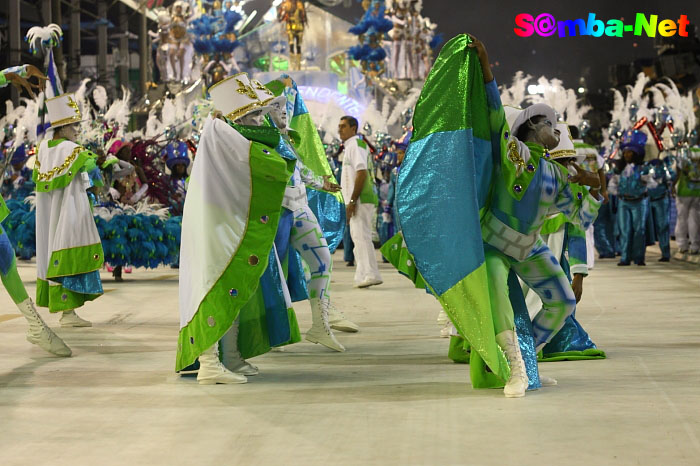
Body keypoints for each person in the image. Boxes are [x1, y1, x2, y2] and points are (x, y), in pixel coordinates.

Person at [392, 34, 601, 398]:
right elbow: (492, 114)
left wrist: (596, 189)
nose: (557, 130)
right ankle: (514, 370)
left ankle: (528, 361)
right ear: (534, 126)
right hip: (493, 244)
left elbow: (579, 217)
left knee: (563, 300)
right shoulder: (512, 151)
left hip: (528, 246)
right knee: (501, 305)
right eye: (551, 123)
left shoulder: (557, 172)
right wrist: (487, 69)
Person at [177, 72, 297, 384]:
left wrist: (280, 133)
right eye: (255, 114)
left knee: (236, 288)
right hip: (214, 224)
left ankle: (229, 355)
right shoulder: (219, 130)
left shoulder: (227, 130)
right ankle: (209, 363)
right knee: (214, 284)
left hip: (227, 220)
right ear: (235, 115)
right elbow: (262, 161)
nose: (261, 120)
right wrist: (280, 140)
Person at [34, 93, 105, 328]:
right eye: (74, 126)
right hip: (70, 212)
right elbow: (94, 171)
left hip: (48, 216)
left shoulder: (43, 148)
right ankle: (68, 313)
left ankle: (67, 311)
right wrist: (103, 162)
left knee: (54, 254)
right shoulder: (71, 149)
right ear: (62, 127)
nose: (76, 131)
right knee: (70, 253)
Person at [338, 116, 382, 288]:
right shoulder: (351, 146)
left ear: (353, 128)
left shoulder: (356, 145)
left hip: (361, 198)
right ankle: (363, 274)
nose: (339, 129)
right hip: (358, 198)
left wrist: (352, 200)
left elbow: (361, 173)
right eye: (339, 126)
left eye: (343, 126)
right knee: (359, 237)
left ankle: (371, 274)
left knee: (361, 237)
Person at [608, 130, 656, 266]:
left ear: (636, 154)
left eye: (630, 152)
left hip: (640, 202)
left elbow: (653, 185)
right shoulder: (619, 169)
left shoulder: (643, 168)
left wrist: (645, 181)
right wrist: (617, 191)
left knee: (639, 230)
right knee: (625, 230)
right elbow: (612, 186)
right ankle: (625, 257)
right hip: (624, 202)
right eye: (625, 152)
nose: (627, 154)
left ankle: (639, 257)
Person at [674, 147, 700, 255]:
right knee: (695, 219)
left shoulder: (684, 151)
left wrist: (673, 185)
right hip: (697, 190)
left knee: (682, 218)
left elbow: (678, 170)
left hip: (684, 190)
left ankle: (682, 244)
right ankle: (695, 245)